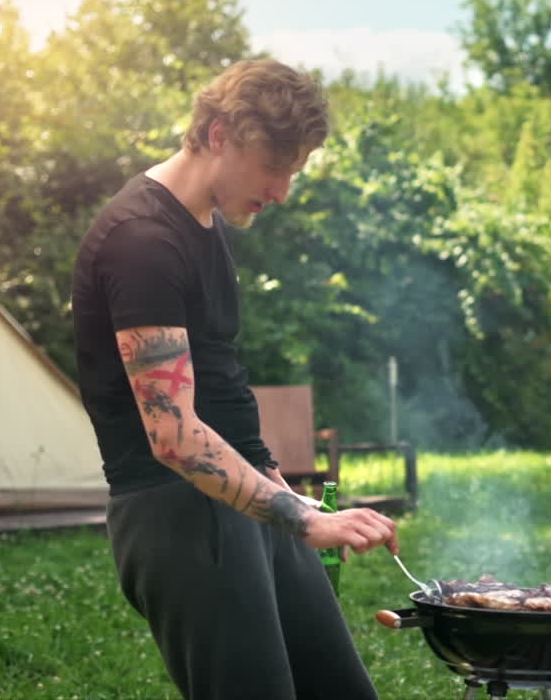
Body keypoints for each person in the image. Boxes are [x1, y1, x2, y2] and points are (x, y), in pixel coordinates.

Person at [72, 59, 398, 700]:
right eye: (273, 168)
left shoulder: (207, 225)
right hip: (176, 517)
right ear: (219, 134)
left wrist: (292, 500)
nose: (281, 191)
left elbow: (219, 386)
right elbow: (174, 437)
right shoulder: (142, 241)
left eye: (291, 172)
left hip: (243, 502)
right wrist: (305, 523)